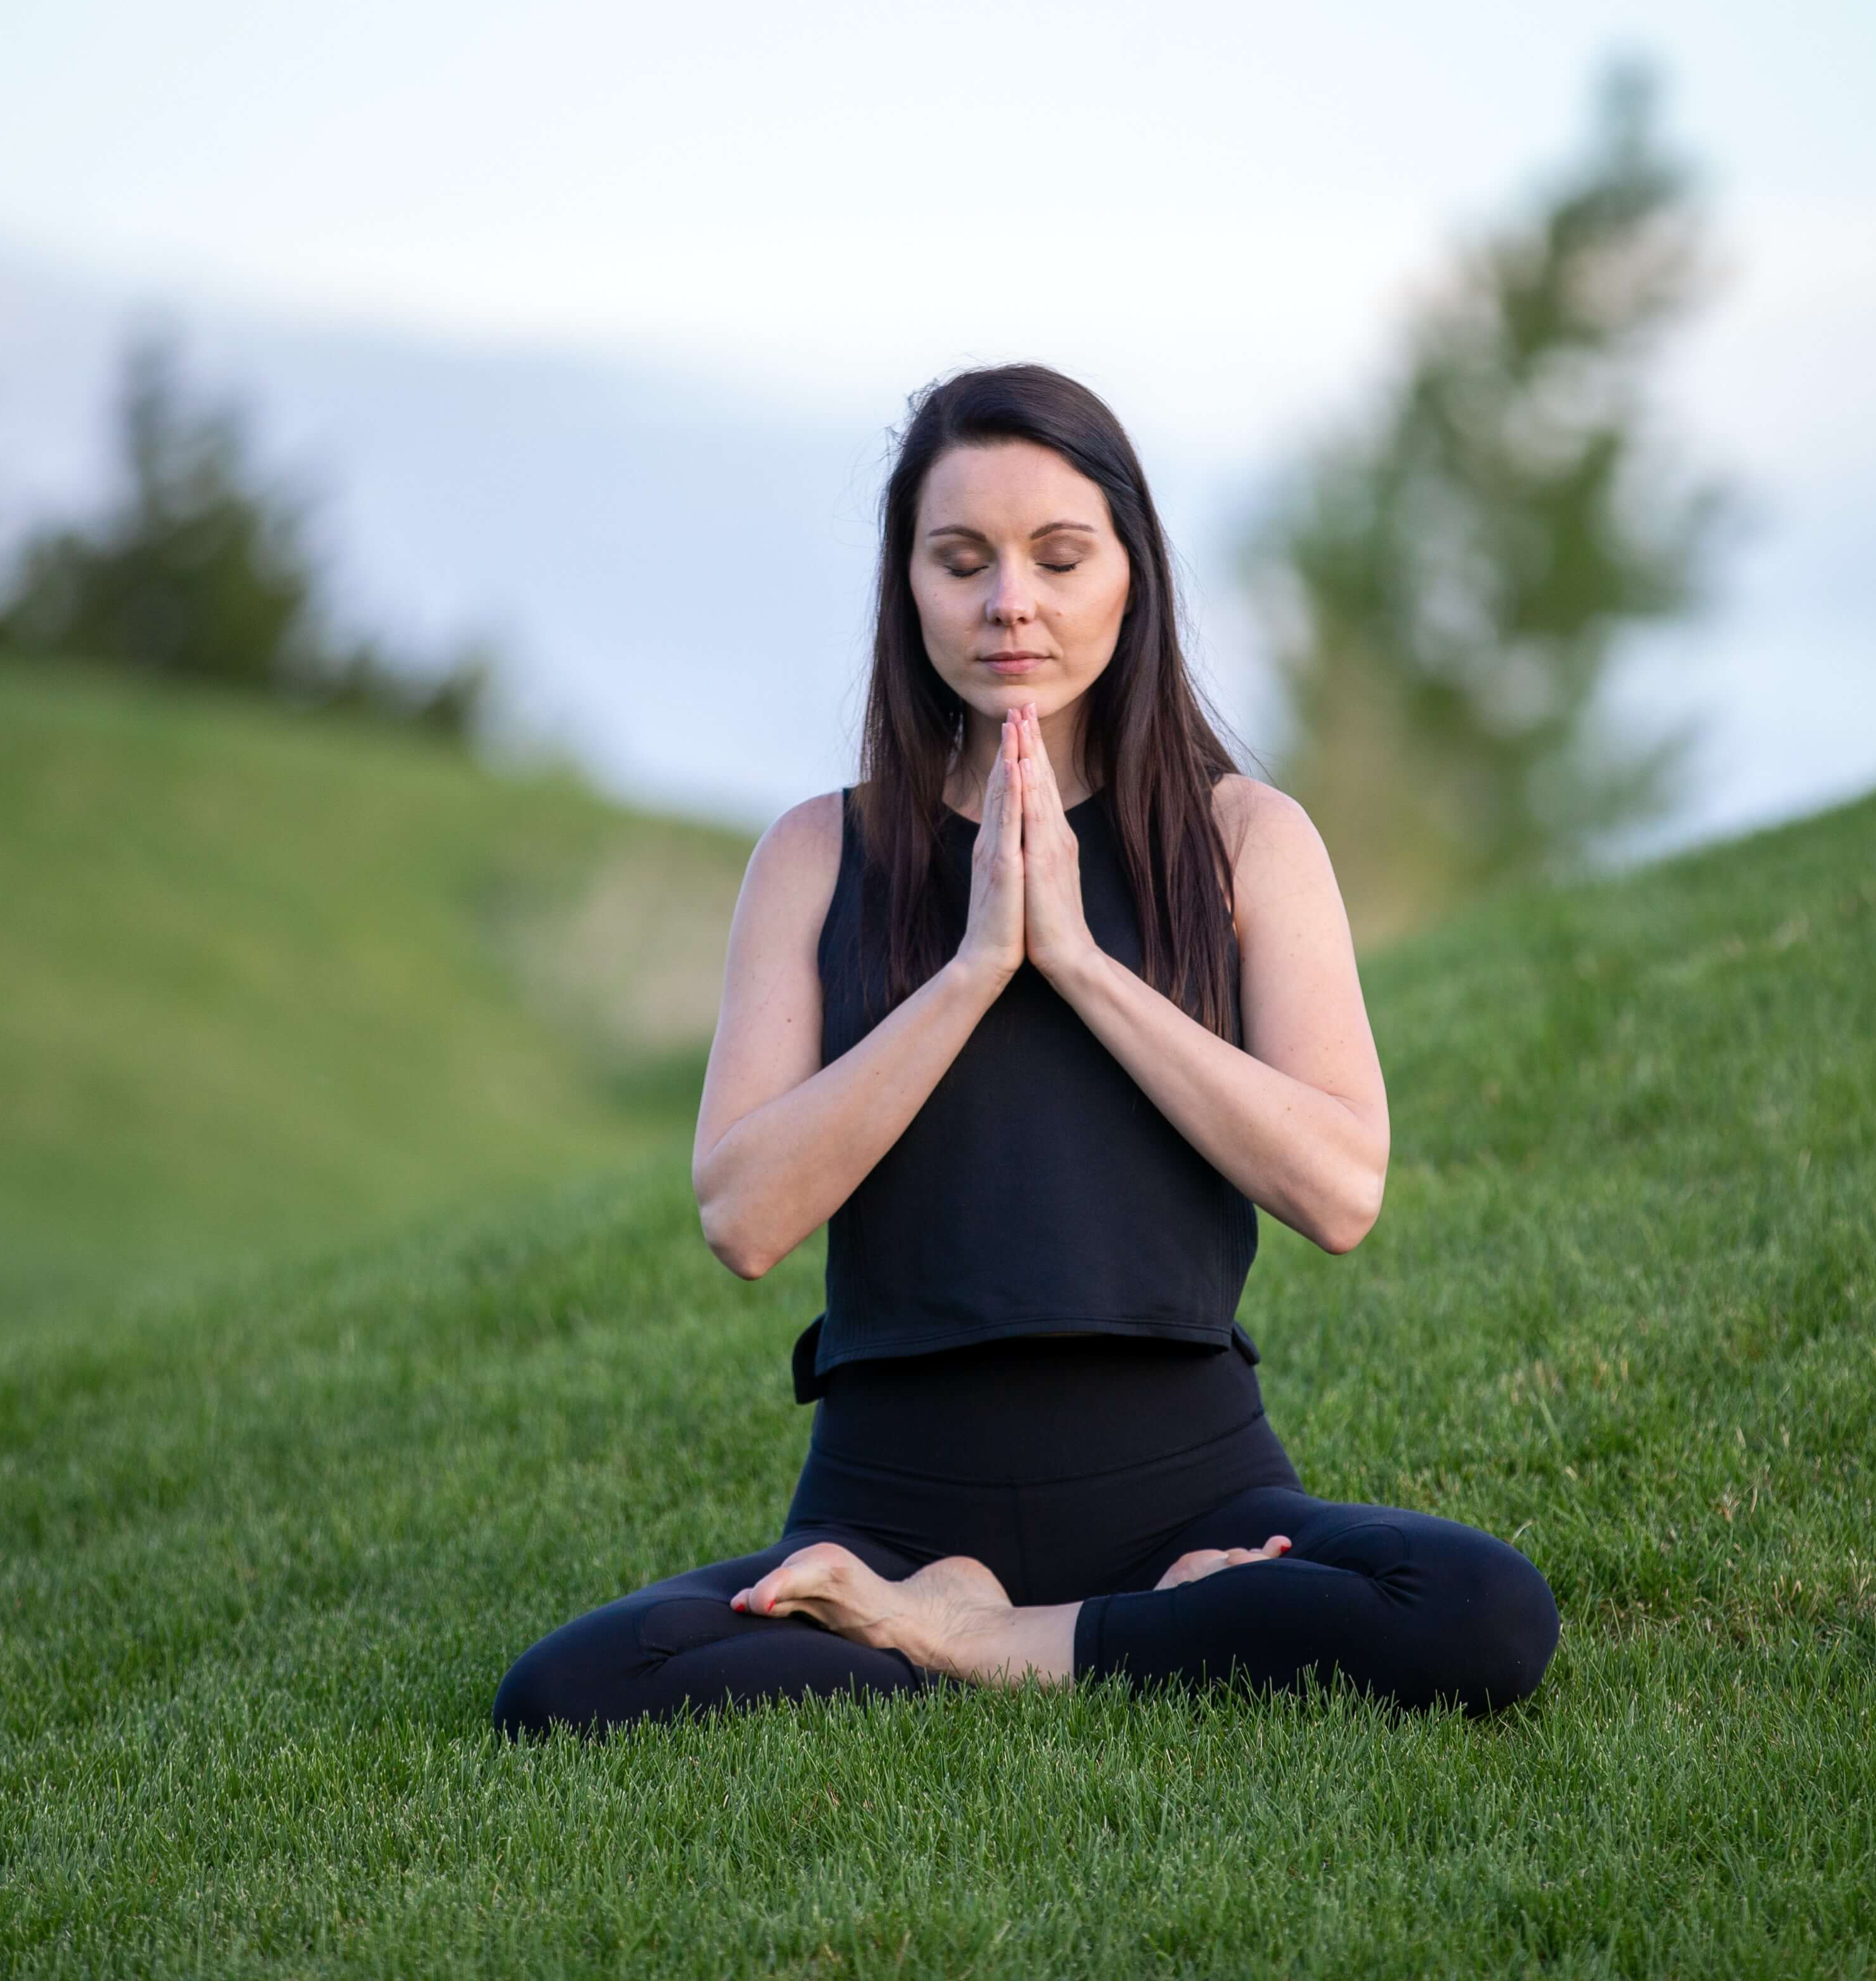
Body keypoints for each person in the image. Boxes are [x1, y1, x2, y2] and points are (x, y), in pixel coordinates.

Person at [492, 365, 1556, 1735]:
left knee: (1480, 1612)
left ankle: (980, 1641)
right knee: (568, 1691)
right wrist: (979, 961)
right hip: (890, 1505)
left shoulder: (1247, 841)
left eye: (1060, 556)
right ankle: (1071, 1625)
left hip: (1195, 1487)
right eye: (962, 561)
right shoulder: (817, 855)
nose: (1012, 602)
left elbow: (1342, 1190)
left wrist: (1080, 961)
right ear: (909, 587)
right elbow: (743, 1217)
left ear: (1132, 574)